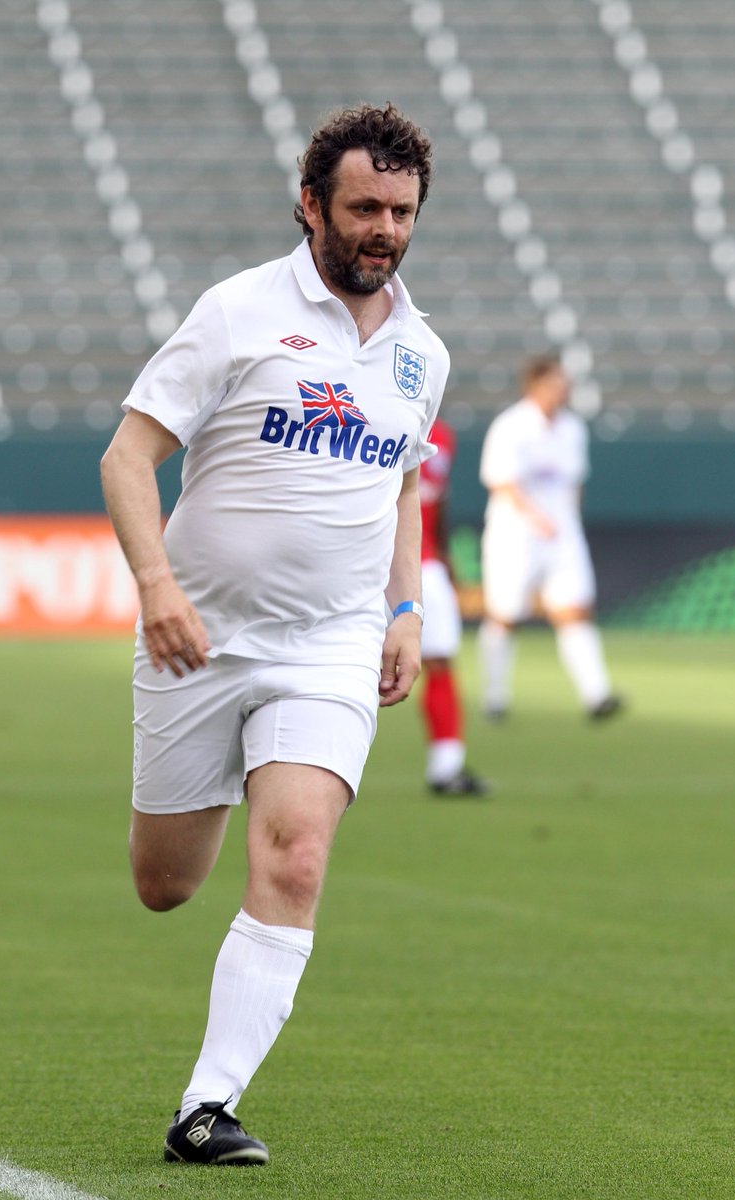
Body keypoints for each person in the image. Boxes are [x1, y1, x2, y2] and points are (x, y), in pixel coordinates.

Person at [100, 104, 447, 1167]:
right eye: (362, 207)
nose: (382, 228)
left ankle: (207, 1106)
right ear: (311, 205)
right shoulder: (238, 313)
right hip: (198, 639)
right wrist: (156, 587)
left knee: (294, 858)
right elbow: (125, 458)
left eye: (400, 211)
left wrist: (404, 611)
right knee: (166, 884)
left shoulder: (420, 353)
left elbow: (397, 488)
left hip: (330, 646)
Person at [478, 354, 623, 721]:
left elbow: (574, 482)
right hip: (516, 535)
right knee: (505, 615)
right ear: (536, 385)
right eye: (556, 382)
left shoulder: (573, 428)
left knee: (574, 611)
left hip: (561, 536)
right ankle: (494, 697)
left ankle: (597, 694)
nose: (564, 389)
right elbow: (502, 483)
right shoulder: (511, 426)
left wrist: (565, 520)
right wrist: (536, 518)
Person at [418, 417, 489, 795]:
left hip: (425, 561)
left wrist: (444, 553)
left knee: (439, 658)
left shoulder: (443, 433)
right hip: (369, 560)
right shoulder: (368, 409)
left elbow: (437, 497)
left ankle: (446, 767)